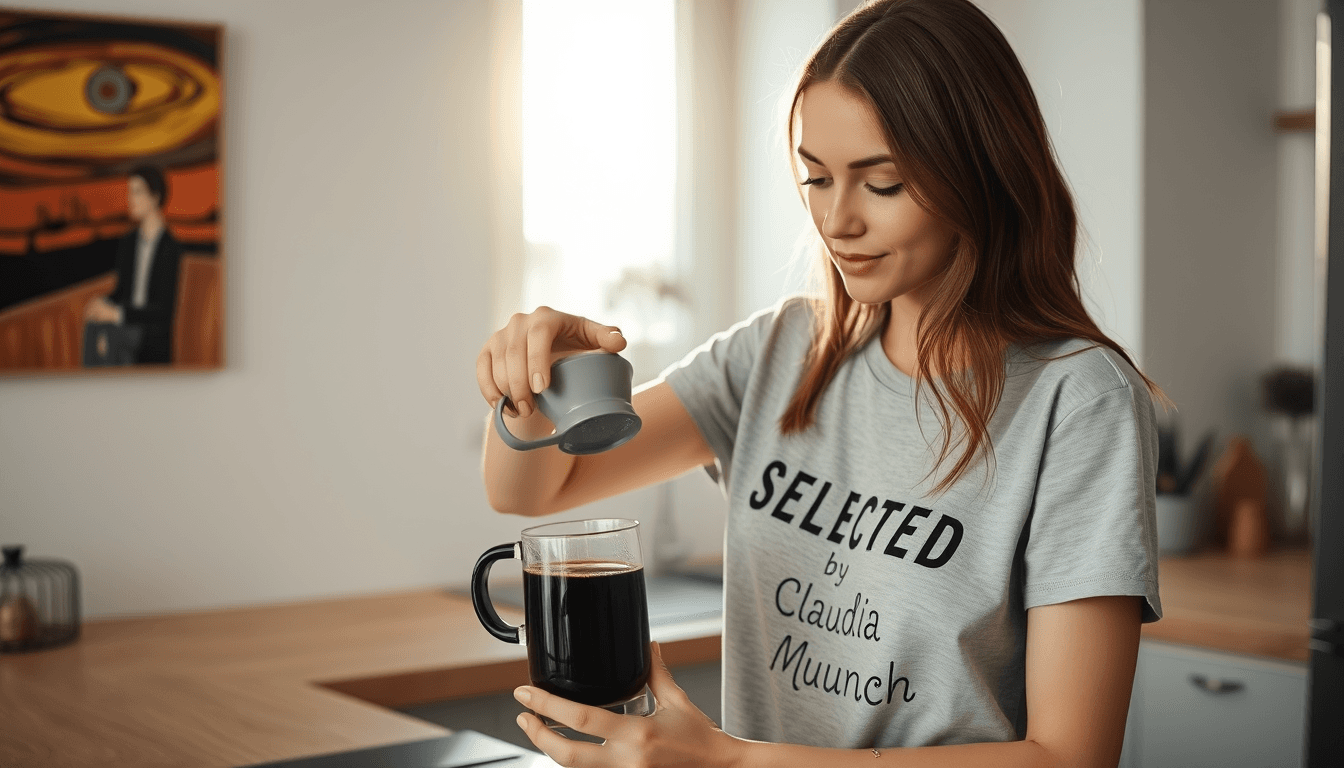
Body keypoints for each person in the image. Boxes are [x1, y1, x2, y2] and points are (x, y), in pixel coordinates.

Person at [477, 1, 1167, 765]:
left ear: (980, 171)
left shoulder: (1080, 402)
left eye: (884, 184)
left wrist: (735, 761)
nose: (836, 220)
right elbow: (537, 490)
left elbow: (1072, 757)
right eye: (815, 176)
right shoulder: (783, 351)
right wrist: (532, 390)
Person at [84, 165, 184, 365]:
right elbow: (121, 291)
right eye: (130, 192)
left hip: (151, 332)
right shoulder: (128, 242)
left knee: (111, 336)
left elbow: (163, 311)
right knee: (93, 324)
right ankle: (90, 391)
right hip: (128, 324)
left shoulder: (170, 248)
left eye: (137, 192)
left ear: (155, 198)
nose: (130, 199)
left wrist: (116, 314)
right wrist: (103, 304)